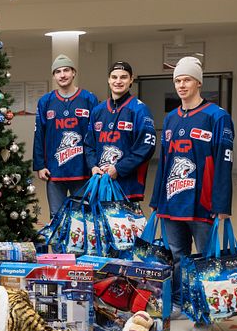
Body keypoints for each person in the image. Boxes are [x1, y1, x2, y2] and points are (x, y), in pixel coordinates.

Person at [149, 56, 234, 331]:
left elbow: (224, 163)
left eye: (186, 79)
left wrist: (222, 204)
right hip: (172, 203)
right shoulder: (172, 118)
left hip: (203, 203)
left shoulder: (217, 117)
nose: (181, 85)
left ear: (198, 81)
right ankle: (176, 303)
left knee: (205, 261)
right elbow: (164, 162)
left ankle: (204, 313)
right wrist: (157, 201)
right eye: (177, 80)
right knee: (177, 257)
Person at [32, 54, 98, 217]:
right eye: (58, 71)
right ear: (54, 76)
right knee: (56, 215)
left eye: (66, 70)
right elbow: (39, 134)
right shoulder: (45, 101)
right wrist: (40, 165)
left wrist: (94, 165)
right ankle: (58, 244)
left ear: (74, 72)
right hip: (55, 171)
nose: (62, 75)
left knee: (82, 216)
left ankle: (79, 244)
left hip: (82, 170)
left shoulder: (89, 99)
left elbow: (96, 136)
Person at [84, 61, 156, 201]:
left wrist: (119, 169)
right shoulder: (98, 110)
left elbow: (146, 147)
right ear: (109, 80)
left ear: (131, 80)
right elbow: (89, 145)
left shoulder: (140, 110)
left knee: (123, 224)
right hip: (100, 184)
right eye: (114, 77)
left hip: (127, 187)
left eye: (123, 77)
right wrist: (93, 167)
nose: (118, 81)